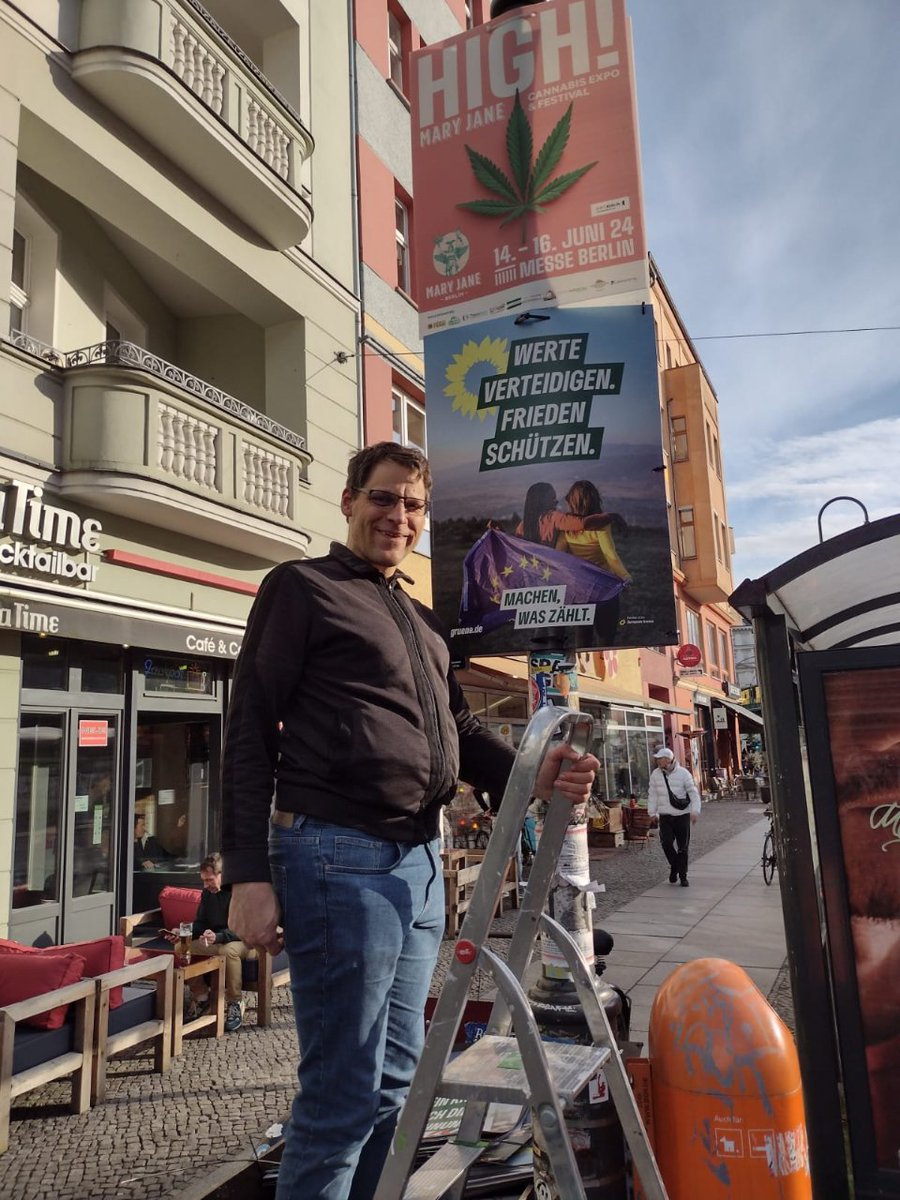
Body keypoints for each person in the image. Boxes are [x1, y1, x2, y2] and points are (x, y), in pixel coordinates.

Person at [221, 442, 599, 1200]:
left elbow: (460, 730)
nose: (398, 516)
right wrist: (247, 874)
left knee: (398, 1086)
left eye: (413, 505)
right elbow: (249, 730)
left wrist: (537, 772)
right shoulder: (302, 588)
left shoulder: (422, 619)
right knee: (340, 1098)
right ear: (350, 502)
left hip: (420, 865)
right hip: (337, 856)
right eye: (384, 499)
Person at [168, 852, 254, 1033]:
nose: (205, 885)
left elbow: (246, 928)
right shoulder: (207, 894)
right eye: (203, 881)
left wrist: (219, 936)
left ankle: (235, 1002)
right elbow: (201, 923)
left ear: (223, 875)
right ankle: (201, 996)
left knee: (227, 951)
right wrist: (183, 932)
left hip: (246, 941)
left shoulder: (240, 891)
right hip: (218, 939)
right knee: (181, 947)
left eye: (209, 880)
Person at [557, 479, 630, 646]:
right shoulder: (601, 525)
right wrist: (626, 578)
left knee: (582, 638)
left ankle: (586, 669)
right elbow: (610, 555)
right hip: (604, 589)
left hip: (579, 590)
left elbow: (559, 555)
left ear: (572, 502)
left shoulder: (566, 526)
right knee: (606, 638)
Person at [647, 746, 701, 886]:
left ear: (668, 760)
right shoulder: (655, 774)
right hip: (665, 816)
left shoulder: (683, 773)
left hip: (682, 815)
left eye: (660, 759)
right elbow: (652, 795)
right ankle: (675, 866)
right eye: (657, 759)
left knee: (683, 847)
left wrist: (695, 811)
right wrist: (652, 813)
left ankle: (683, 876)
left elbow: (693, 793)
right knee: (666, 843)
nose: (658, 761)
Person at [515, 479, 614, 547]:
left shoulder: (523, 524)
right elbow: (583, 523)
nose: (556, 501)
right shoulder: (553, 517)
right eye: (552, 498)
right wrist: (611, 516)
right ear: (541, 501)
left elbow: (515, 544)